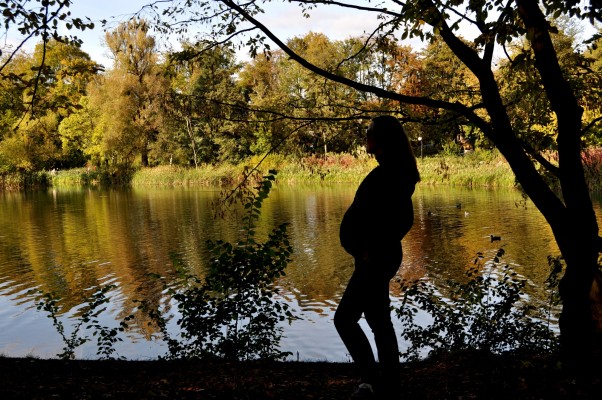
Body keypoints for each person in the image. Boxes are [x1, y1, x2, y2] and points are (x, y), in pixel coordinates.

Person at [334, 115, 420, 398]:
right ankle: (389, 382)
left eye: (368, 132)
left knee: (345, 319)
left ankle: (371, 380)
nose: (365, 136)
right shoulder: (391, 170)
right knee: (378, 318)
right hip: (375, 256)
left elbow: (402, 219)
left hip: (376, 258)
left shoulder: (392, 174)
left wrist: (372, 248)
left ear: (381, 139)